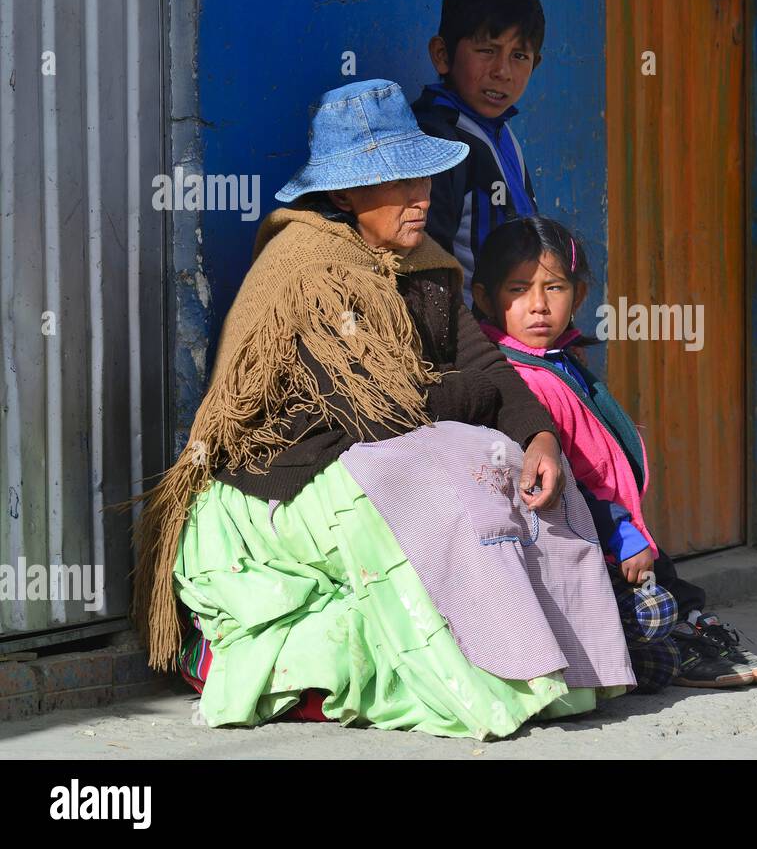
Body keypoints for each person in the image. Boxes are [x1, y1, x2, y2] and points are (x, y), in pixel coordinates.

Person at [131, 79, 640, 738]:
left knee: (513, 465)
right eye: (397, 184)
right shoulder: (306, 270)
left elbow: (483, 367)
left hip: (375, 450)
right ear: (344, 195)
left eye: (423, 180)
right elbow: (376, 407)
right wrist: (466, 395)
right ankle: (489, 681)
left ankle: (555, 667)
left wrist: (540, 437)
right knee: (449, 477)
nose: (419, 198)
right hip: (281, 486)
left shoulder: (420, 263)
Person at [471, 216, 757, 689]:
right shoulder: (517, 378)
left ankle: (691, 637)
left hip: (615, 524)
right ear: (483, 299)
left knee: (665, 582)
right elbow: (565, 481)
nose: (538, 305)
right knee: (650, 605)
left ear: (577, 296)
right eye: (518, 289)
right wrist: (617, 530)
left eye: (553, 288)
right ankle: (681, 646)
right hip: (584, 529)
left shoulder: (557, 360)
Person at [411, 0, 543, 304]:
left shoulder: (502, 133)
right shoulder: (434, 141)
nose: (502, 72)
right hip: (470, 346)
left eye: (519, 56)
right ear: (442, 54)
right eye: (487, 50)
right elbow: (425, 268)